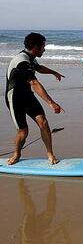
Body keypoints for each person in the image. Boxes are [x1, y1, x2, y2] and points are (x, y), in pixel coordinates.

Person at [5, 32, 65, 165]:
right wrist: (51, 103)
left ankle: (50, 154)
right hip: (15, 99)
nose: (44, 49)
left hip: (27, 96)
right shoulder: (21, 61)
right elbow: (34, 83)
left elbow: (38, 68)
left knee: (43, 122)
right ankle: (17, 154)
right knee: (23, 132)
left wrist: (53, 72)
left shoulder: (31, 58)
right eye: (43, 46)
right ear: (35, 47)